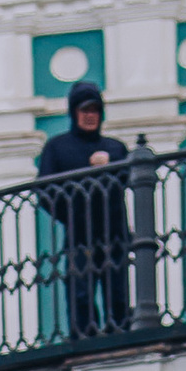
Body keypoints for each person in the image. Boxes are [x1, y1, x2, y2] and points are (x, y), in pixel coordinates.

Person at [35, 81, 132, 337]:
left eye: (95, 110)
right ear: (73, 112)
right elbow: (44, 191)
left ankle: (120, 333)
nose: (90, 115)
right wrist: (71, 216)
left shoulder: (114, 147)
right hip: (80, 235)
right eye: (84, 110)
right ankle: (84, 338)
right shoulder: (58, 147)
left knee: (118, 290)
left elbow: (130, 177)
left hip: (115, 234)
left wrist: (111, 164)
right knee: (81, 293)